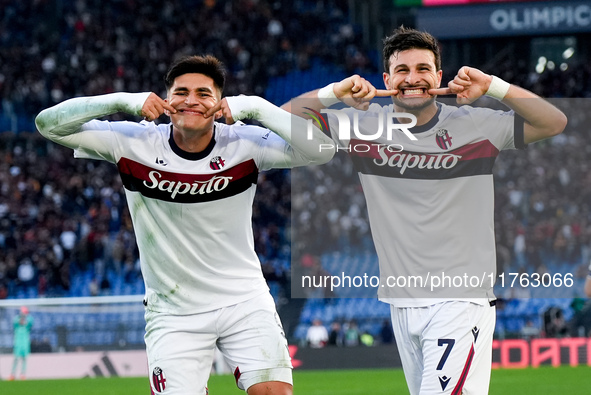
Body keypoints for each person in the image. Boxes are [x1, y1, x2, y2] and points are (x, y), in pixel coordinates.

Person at [283, 26, 566, 395]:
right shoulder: (365, 126)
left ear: (438, 76)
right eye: (402, 70)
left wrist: (493, 86)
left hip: (459, 300)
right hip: (400, 302)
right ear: (386, 79)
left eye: (422, 69)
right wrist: (333, 93)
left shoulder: (476, 124)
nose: (412, 78)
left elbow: (554, 122)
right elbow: (285, 117)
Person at [36, 55, 335, 395]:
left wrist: (254, 106)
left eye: (204, 93)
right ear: (165, 100)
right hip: (173, 312)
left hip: (243, 300)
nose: (191, 100)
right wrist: (124, 101)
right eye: (181, 92)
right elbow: (47, 124)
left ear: (220, 102)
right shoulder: (133, 142)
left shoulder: (244, 143)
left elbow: (323, 149)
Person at [9, 306, 33, 380]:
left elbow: (31, 322)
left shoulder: (29, 320)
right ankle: (12, 374)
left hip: (25, 341)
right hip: (18, 341)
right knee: (16, 358)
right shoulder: (16, 319)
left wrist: (25, 319)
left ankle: (23, 374)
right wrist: (21, 319)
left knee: (24, 358)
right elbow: (15, 322)